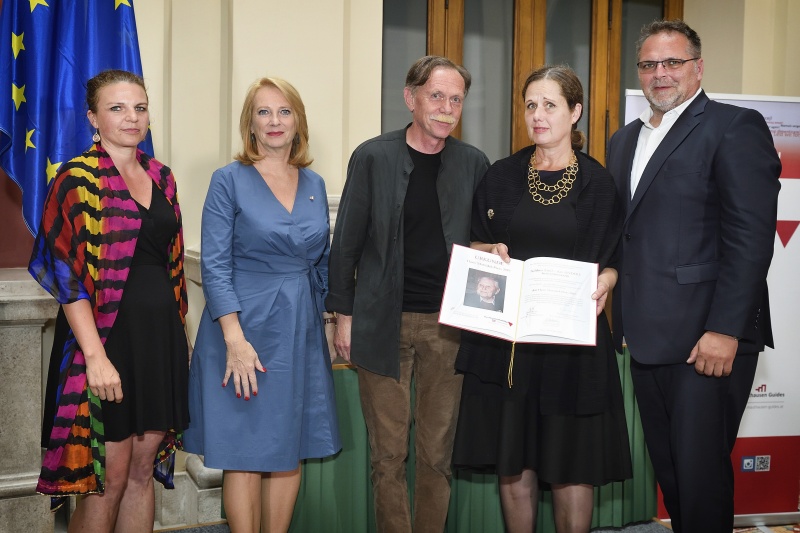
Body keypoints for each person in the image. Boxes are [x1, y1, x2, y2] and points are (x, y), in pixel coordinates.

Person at [606, 20, 781, 532]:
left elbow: (750, 237)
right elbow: (624, 234)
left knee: (701, 479)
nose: (659, 74)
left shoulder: (733, 126)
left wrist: (726, 329)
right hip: (645, 340)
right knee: (674, 476)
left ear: (698, 67)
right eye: (648, 65)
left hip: (708, 340)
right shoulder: (623, 141)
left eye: (672, 62)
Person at [452, 65, 632, 533]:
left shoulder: (599, 184)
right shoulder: (502, 176)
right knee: (514, 461)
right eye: (531, 104)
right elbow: (475, 243)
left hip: (573, 345)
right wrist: (487, 251)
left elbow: (614, 259)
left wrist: (609, 279)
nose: (538, 115)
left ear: (575, 112)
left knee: (573, 465)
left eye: (550, 105)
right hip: (509, 345)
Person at [326, 55, 490, 532]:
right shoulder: (373, 157)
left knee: (438, 455)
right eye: (436, 95)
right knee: (388, 454)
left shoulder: (473, 163)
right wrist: (344, 316)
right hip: (381, 325)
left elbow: (478, 239)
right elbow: (347, 243)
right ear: (410, 97)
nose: (446, 107)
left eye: (456, 98)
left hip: (449, 329)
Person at [29, 69, 190, 531]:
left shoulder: (162, 176)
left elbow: (173, 266)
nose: (131, 117)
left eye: (139, 107)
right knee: (109, 479)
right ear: (93, 118)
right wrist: (96, 358)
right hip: (106, 342)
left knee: (142, 475)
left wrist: (180, 338)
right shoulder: (75, 178)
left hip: (160, 340)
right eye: (117, 108)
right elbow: (66, 276)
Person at [183, 77, 340, 533]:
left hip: (299, 331)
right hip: (242, 329)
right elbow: (214, 265)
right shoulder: (228, 180)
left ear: (298, 123)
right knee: (247, 452)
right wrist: (234, 339)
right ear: (249, 124)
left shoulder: (314, 182)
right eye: (264, 112)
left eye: (284, 111)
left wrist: (329, 324)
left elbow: (321, 262)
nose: (275, 121)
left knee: (289, 449)